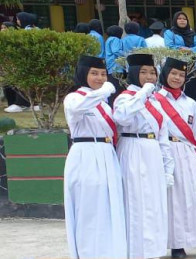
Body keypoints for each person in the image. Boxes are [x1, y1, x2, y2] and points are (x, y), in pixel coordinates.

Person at [155, 58, 196, 258]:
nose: (177, 78)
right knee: (174, 200)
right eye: (173, 73)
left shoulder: (190, 103)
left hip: (188, 152)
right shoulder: (155, 100)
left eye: (181, 75)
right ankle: (177, 245)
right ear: (165, 74)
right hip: (167, 151)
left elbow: (194, 132)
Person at [63, 55, 126, 258]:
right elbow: (77, 108)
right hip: (86, 155)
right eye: (94, 73)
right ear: (83, 74)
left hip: (107, 153)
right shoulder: (74, 97)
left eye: (103, 74)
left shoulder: (105, 104)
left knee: (110, 206)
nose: (100, 78)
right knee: (88, 207)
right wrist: (105, 90)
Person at [113, 53, 173, 259]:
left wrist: (168, 168)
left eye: (152, 73)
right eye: (143, 72)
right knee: (136, 200)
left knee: (154, 202)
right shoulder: (125, 97)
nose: (149, 77)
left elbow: (163, 134)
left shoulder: (155, 100)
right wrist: (142, 94)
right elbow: (122, 117)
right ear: (133, 74)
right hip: (132, 148)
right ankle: (136, 251)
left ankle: (153, 250)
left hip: (152, 151)